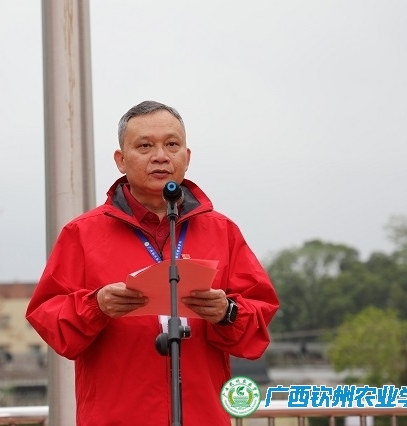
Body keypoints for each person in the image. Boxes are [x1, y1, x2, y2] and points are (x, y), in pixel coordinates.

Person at [25, 100, 279, 425]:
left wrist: (227, 312)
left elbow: (259, 319)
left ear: (187, 156)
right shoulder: (82, 234)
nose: (160, 156)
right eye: (145, 146)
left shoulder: (223, 231)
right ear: (121, 160)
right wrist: (95, 306)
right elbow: (49, 319)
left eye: (172, 145)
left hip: (203, 416)